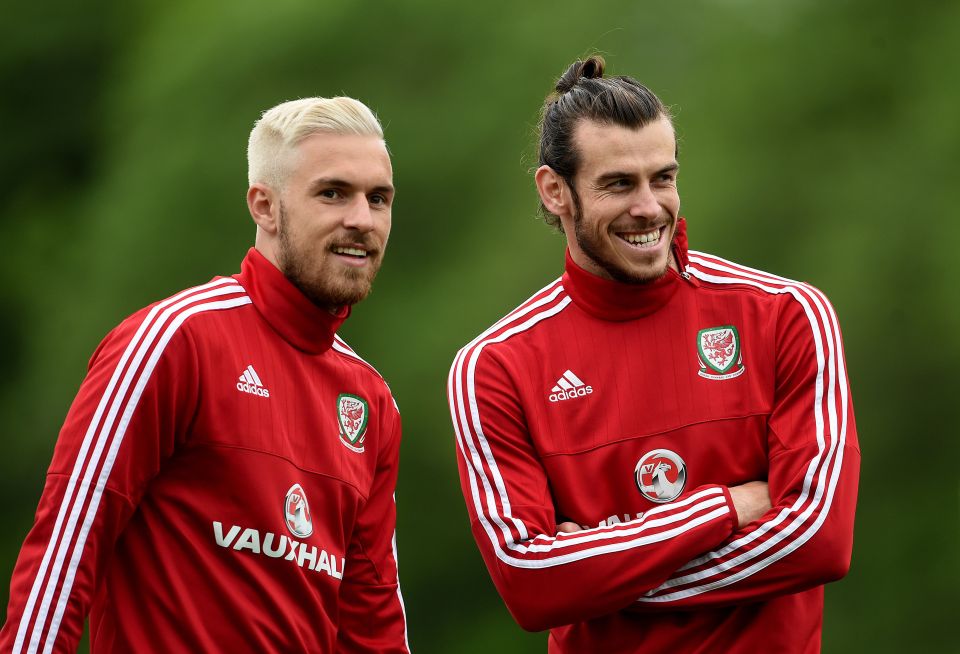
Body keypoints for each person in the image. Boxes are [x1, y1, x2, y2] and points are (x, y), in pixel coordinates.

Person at [447, 56, 859, 653]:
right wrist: (727, 507)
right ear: (555, 191)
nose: (650, 207)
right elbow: (531, 583)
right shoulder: (494, 366)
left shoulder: (787, 314)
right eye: (619, 184)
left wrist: (601, 576)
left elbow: (820, 538)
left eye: (662, 178)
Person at [1, 97, 409, 652]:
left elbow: (372, 622)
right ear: (264, 206)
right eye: (332, 193)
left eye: (378, 199)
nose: (361, 219)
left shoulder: (371, 399)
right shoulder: (174, 341)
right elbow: (64, 552)